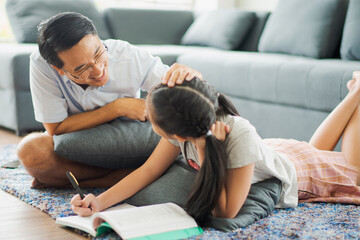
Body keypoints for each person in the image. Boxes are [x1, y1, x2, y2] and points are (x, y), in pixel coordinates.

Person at [71, 74, 360, 225]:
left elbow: (225, 211)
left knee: (351, 166)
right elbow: (149, 170)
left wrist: (215, 153)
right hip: (275, 154)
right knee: (312, 149)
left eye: (151, 115)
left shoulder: (233, 136)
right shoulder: (188, 125)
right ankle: (356, 90)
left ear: (175, 131)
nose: (146, 115)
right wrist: (100, 201)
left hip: (304, 175)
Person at [16, 12, 202, 189]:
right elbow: (55, 128)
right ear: (59, 69)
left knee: (180, 139)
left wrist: (193, 78)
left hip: (130, 140)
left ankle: (73, 181)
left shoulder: (129, 56)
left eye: (98, 54)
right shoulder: (43, 64)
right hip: (81, 145)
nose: (98, 71)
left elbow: (187, 96)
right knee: (30, 151)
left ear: (98, 39)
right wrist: (117, 108)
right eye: (82, 69)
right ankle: (128, 176)